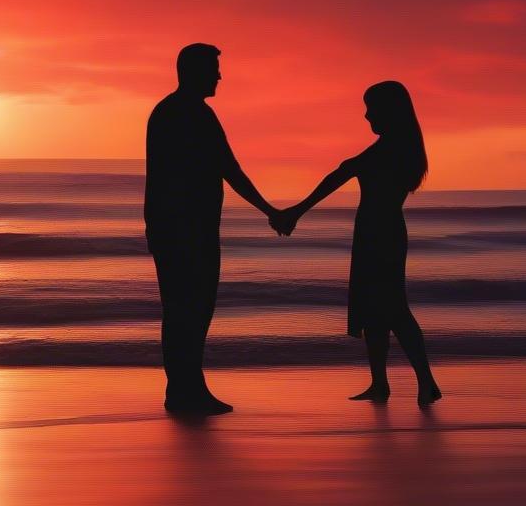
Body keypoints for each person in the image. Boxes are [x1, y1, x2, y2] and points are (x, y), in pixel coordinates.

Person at [274, 81, 443, 406]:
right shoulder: (396, 146)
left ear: (388, 111)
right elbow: (344, 171)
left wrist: (297, 211)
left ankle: (426, 382)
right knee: (374, 310)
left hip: (382, 235)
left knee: (393, 309)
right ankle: (380, 383)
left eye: (371, 108)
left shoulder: (390, 149)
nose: (366, 115)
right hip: (376, 233)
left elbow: (342, 172)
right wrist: (297, 211)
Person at [145, 43, 281, 415]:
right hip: (190, 230)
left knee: (180, 310)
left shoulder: (166, 112)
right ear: (194, 71)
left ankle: (183, 388)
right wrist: (270, 210)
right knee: (193, 307)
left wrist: (154, 228)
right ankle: (186, 390)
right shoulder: (193, 115)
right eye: (213, 69)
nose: (219, 76)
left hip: (172, 229)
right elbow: (230, 169)